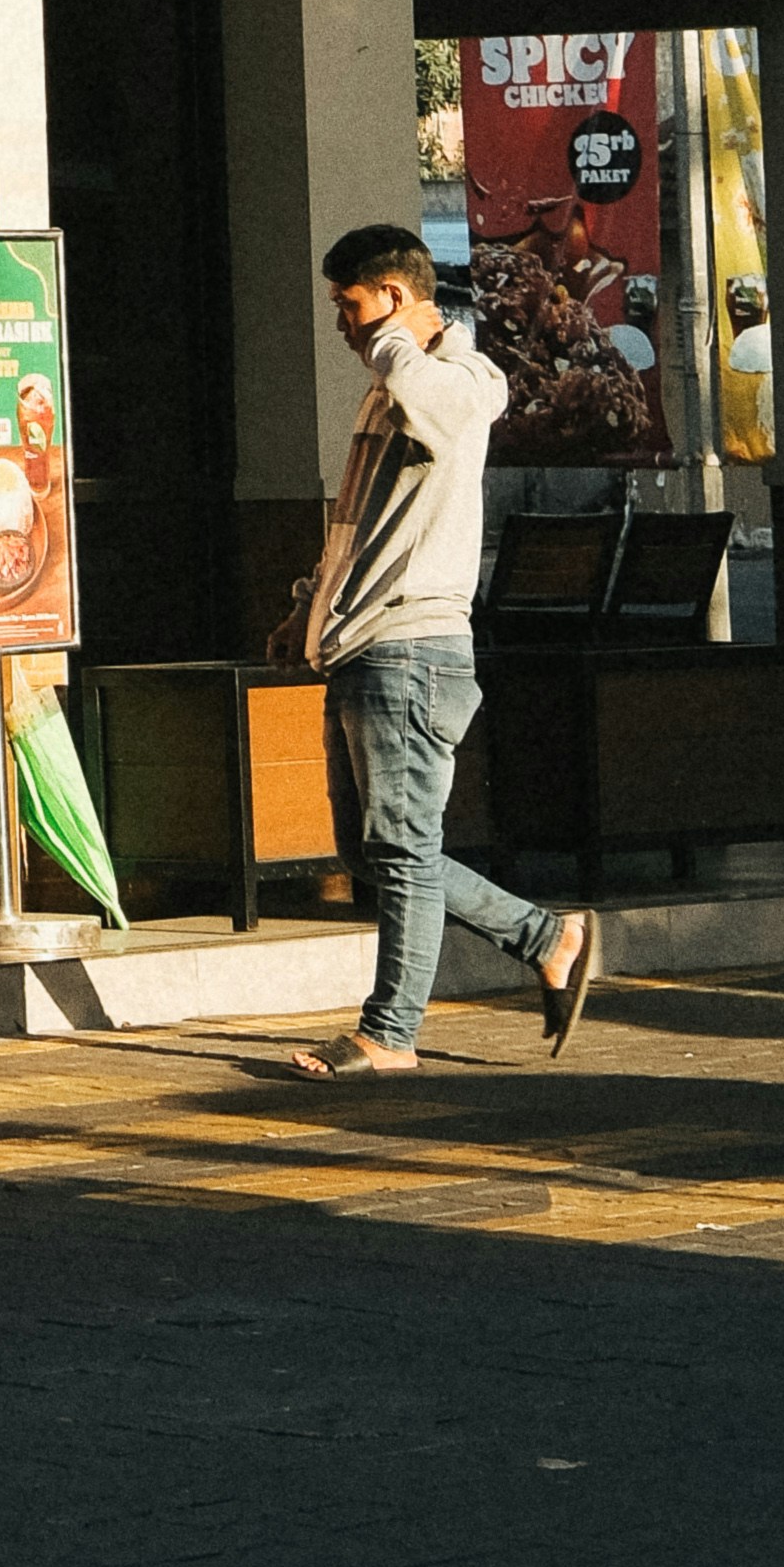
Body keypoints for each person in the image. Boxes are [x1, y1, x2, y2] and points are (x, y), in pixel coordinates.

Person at [287, 222, 600, 1079]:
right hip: (358, 641)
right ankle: (546, 934)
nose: (342, 326)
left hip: (412, 649)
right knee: (373, 853)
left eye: (349, 306)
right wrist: (305, 606)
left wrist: (395, 334)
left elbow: (429, 395)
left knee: (400, 848)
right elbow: (362, 518)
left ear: (391, 297)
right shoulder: (390, 385)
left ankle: (389, 1032)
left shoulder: (463, 378)